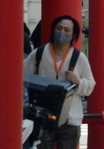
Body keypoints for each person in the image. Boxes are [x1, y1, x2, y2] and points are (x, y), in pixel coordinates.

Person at [24, 16, 96, 149]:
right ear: (53, 30)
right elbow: (21, 76)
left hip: (70, 118)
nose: (62, 32)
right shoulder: (39, 53)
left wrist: (77, 81)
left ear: (73, 35)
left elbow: (91, 84)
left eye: (67, 30)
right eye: (59, 28)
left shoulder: (79, 57)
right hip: (43, 116)